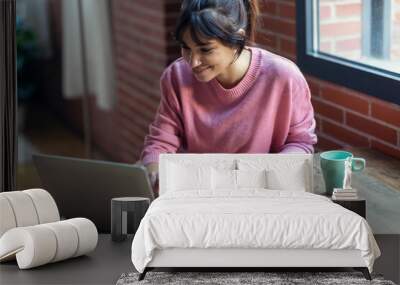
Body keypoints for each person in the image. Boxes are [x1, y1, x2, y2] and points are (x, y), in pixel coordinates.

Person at [140, 0, 318, 195]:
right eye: (186, 48)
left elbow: (300, 143)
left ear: (237, 40)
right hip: (197, 191)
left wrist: (270, 175)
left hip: (262, 193)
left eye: (205, 49)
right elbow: (162, 141)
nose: (193, 61)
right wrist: (154, 167)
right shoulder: (176, 76)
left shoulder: (284, 77)